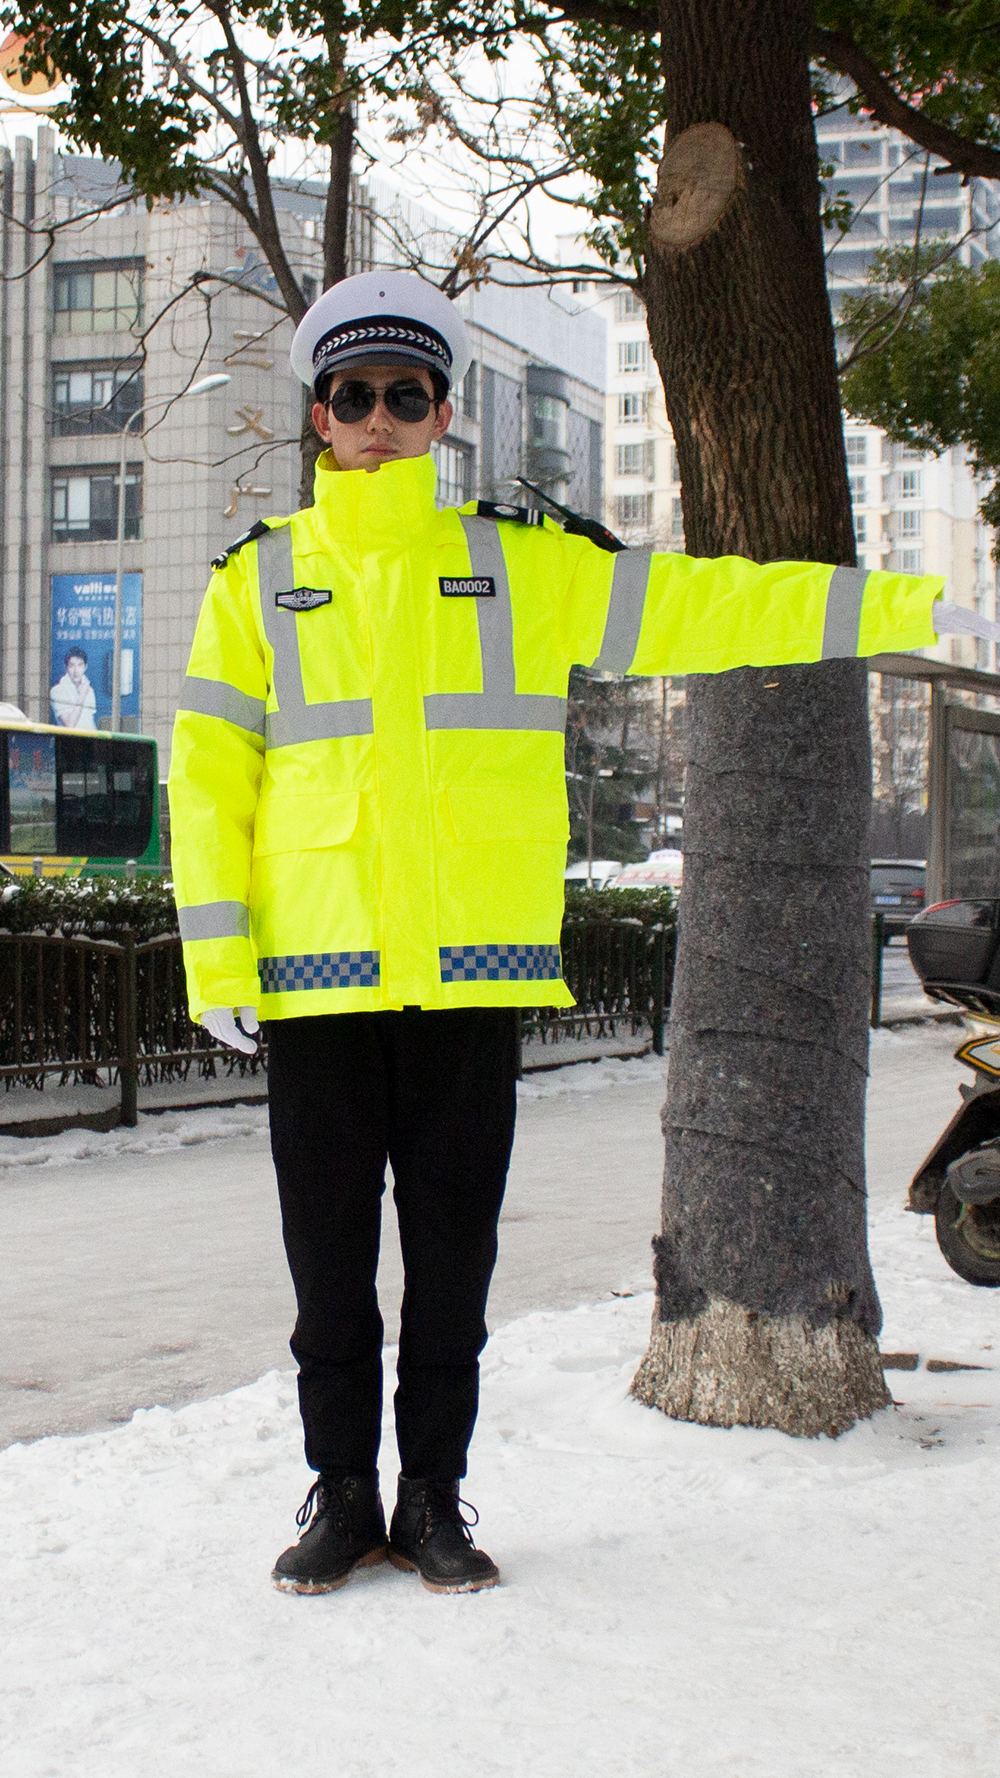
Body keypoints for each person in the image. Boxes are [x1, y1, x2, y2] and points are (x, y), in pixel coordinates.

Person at [169, 269, 956, 1598]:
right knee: (328, 1273)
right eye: (353, 397)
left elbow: (712, 606)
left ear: (443, 414)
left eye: (404, 395)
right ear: (319, 414)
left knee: (454, 1266)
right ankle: (341, 1492)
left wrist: (905, 608)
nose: (377, 419)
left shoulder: (520, 564)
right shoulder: (260, 580)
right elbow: (209, 778)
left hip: (468, 975)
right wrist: (218, 957)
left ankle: (432, 1497)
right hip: (313, 981)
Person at [50, 647, 97, 730]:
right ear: (66, 668)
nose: (76, 670)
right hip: (70, 738)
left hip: (88, 737)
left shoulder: (89, 690)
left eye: (80, 665)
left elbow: (90, 721)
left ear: (85, 667)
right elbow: (70, 725)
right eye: (72, 666)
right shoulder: (57, 691)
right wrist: (82, 695)